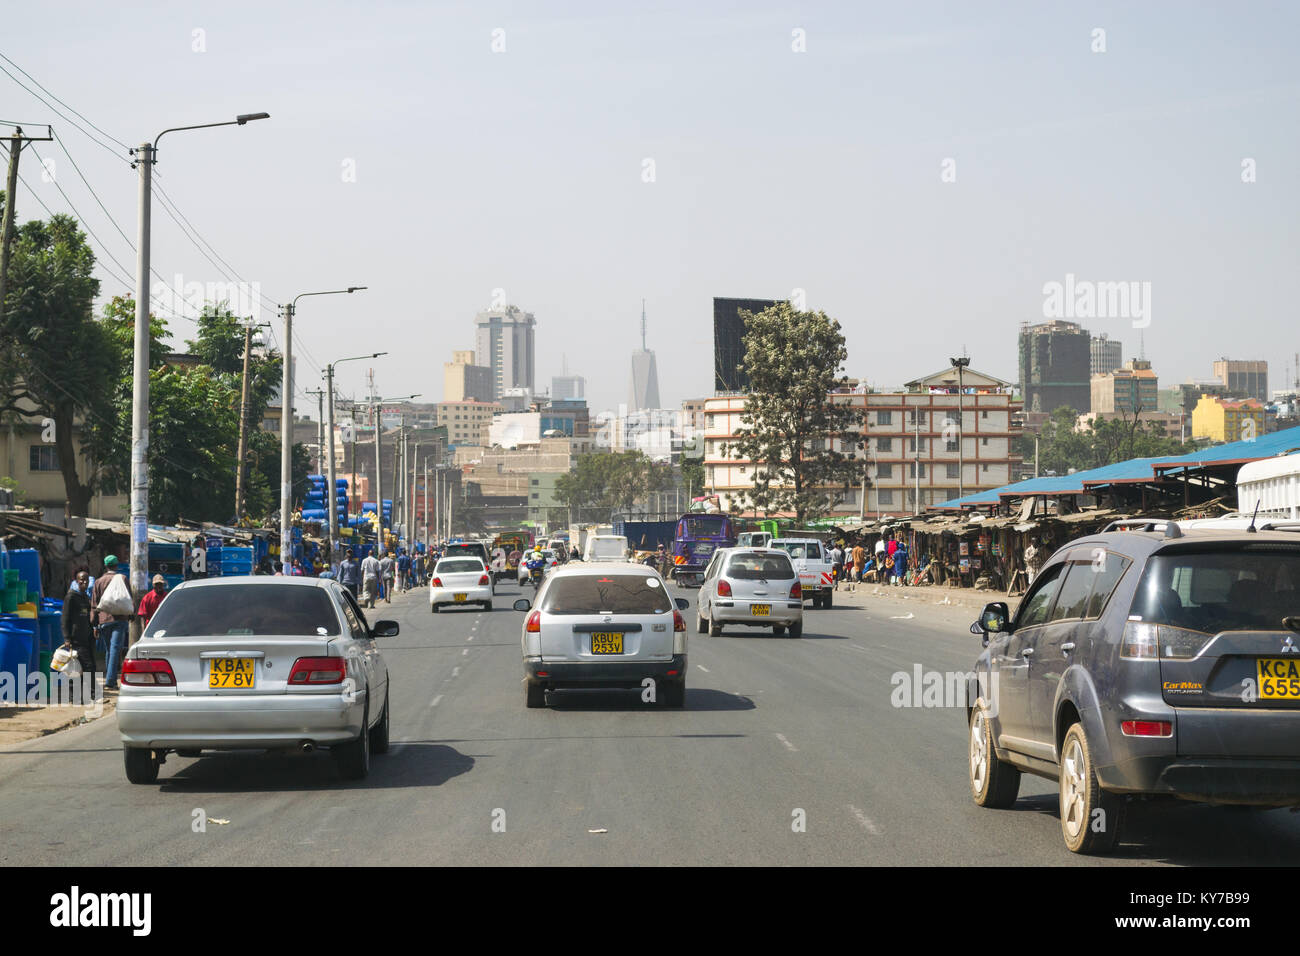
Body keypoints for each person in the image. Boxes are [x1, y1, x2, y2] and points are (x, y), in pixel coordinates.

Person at [91, 555, 131, 692]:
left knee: (110, 649)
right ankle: (110, 681)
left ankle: (111, 680)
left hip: (104, 620)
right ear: (116, 565)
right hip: (119, 619)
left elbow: (94, 604)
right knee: (115, 649)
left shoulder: (98, 582)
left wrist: (94, 624)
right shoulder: (123, 579)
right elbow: (128, 598)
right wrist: (131, 614)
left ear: (105, 565)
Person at [62, 569, 98, 701]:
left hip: (87, 637)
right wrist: (67, 638)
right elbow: (65, 619)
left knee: (86, 666)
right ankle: (85, 694)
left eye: (86, 580)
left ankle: (85, 695)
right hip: (76, 638)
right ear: (76, 581)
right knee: (82, 667)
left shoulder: (85, 597)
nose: (84, 582)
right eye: (81, 580)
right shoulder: (71, 597)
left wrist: (94, 628)